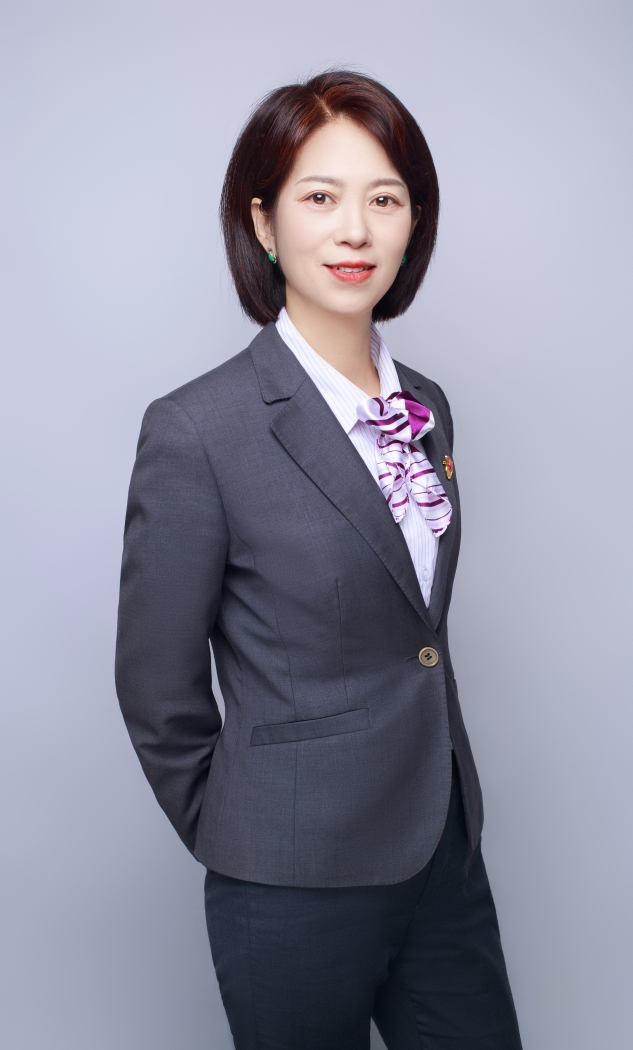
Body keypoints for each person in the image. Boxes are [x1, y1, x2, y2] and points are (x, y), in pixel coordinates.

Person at [116, 70, 522, 1050]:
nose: (355, 230)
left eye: (384, 200)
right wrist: (244, 830)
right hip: (290, 878)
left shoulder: (425, 406)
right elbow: (154, 682)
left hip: (441, 852)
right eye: (320, 197)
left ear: (413, 224)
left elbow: (415, 631)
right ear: (263, 222)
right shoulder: (198, 428)